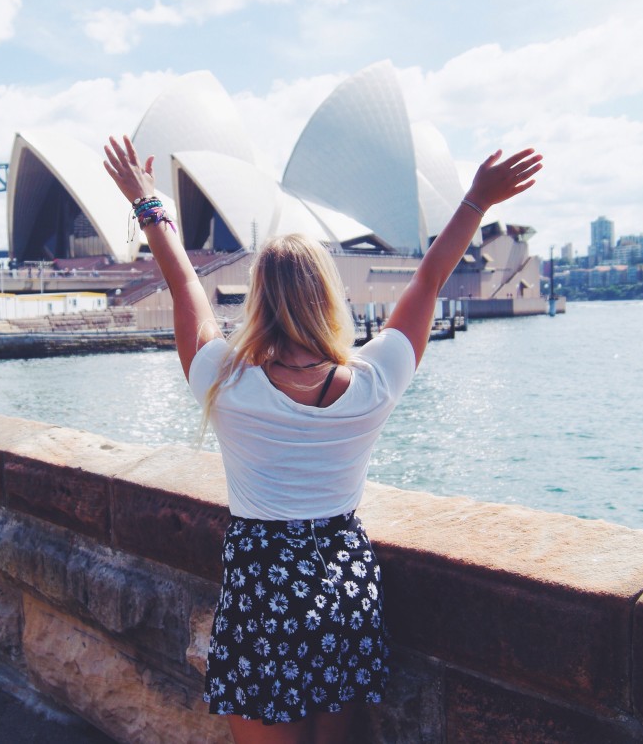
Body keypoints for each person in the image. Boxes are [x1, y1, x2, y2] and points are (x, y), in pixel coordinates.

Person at [104, 135, 542, 744]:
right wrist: (475, 200)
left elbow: (187, 292)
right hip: (342, 587)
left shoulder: (226, 385)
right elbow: (425, 284)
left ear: (260, 301)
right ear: (327, 298)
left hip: (262, 591)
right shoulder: (372, 383)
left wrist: (148, 203)